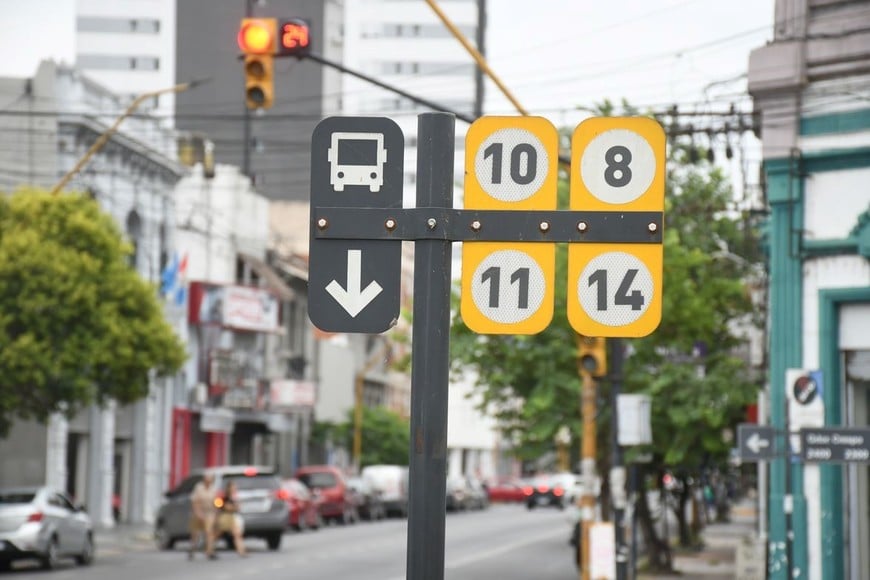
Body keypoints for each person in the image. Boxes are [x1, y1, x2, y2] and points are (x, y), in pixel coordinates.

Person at [189, 472, 217, 560]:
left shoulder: (213, 489)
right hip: (199, 511)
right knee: (195, 532)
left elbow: (216, 502)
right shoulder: (199, 488)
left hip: (209, 512)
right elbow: (195, 502)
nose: (209, 481)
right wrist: (198, 514)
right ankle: (192, 548)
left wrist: (216, 512)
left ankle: (209, 551)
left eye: (211, 479)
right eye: (207, 479)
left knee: (209, 532)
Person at [216, 480, 247, 557]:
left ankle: (242, 551)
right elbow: (226, 507)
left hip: (234, 517)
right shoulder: (225, 497)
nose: (234, 488)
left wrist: (235, 507)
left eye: (235, 487)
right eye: (233, 487)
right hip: (226, 517)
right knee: (217, 534)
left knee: (237, 534)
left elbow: (238, 507)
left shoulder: (235, 497)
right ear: (229, 488)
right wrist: (234, 507)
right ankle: (209, 549)